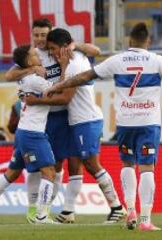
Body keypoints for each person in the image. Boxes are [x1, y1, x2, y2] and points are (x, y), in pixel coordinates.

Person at [45, 23, 162, 231]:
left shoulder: (117, 60)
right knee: (146, 168)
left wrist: (58, 85)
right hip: (148, 123)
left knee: (127, 165)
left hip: (125, 124)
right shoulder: (158, 61)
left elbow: (84, 76)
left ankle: (130, 209)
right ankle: (145, 220)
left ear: (129, 41)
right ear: (148, 41)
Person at [4, 19, 101, 223]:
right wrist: (29, 70)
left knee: (68, 164)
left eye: (42, 35)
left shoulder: (60, 50)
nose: (39, 39)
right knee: (40, 166)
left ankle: (66, 210)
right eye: (35, 35)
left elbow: (95, 50)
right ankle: (35, 211)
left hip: (65, 114)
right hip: (43, 117)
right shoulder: (32, 55)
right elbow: (9, 75)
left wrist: (76, 45)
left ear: (49, 36)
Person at [26, 28, 126, 224]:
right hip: (79, 120)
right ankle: (68, 212)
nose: (53, 53)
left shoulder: (73, 65)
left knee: (91, 163)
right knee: (75, 164)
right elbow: (92, 51)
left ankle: (117, 207)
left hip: (86, 120)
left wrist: (36, 100)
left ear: (64, 47)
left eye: (54, 49)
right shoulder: (76, 56)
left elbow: (64, 96)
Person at [0, 44, 58, 224]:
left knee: (11, 173)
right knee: (50, 171)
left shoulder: (25, 78)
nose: (39, 57)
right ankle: (42, 216)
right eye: (35, 55)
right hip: (33, 133)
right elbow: (59, 89)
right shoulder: (34, 80)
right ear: (29, 61)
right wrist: (65, 68)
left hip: (23, 132)